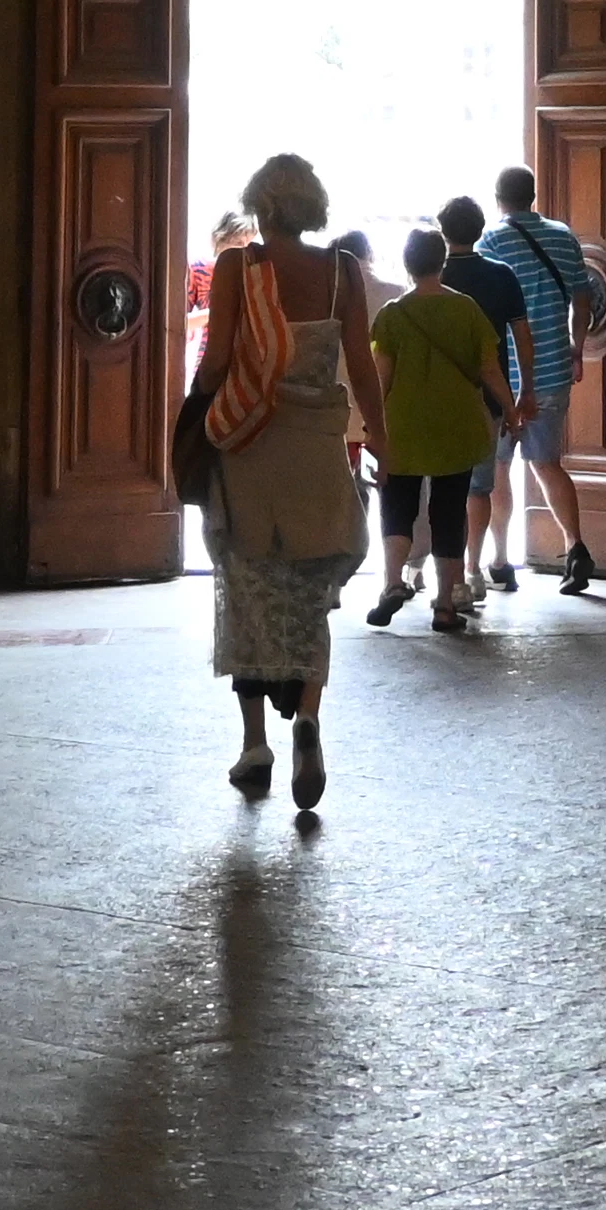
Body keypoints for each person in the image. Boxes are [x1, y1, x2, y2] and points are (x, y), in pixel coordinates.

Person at [189, 152, 381, 812]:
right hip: (316, 447)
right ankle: (308, 722)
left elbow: (216, 360)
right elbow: (359, 363)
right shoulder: (342, 273)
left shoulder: (240, 269)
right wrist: (380, 436)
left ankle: (253, 746)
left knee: (246, 584)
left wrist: (194, 411)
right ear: (313, 206)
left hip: (251, 445)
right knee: (308, 594)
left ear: (261, 206)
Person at [464, 165, 603, 595]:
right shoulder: (563, 237)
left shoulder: (491, 241)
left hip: (505, 374)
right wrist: (576, 347)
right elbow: (581, 300)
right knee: (547, 464)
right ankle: (575, 547)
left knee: (498, 468)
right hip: (554, 369)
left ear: (498, 198)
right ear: (533, 195)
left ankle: (500, 559)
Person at [366, 217, 508, 631]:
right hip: (455, 425)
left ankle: (394, 582)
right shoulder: (466, 309)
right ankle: (445, 604)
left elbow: (381, 379)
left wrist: (373, 430)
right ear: (442, 262)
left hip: (403, 427)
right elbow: (489, 369)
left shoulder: (392, 315)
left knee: (397, 509)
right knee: (449, 512)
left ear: (407, 265)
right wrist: (512, 408)